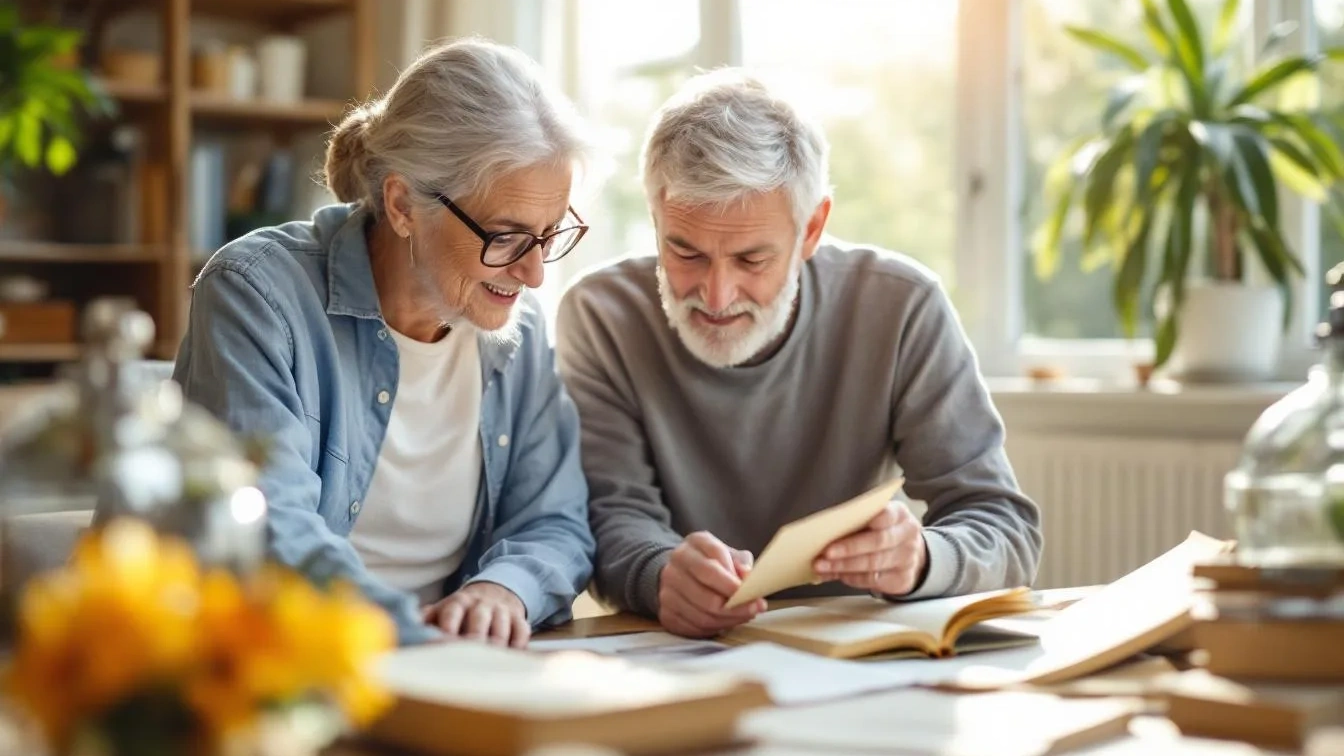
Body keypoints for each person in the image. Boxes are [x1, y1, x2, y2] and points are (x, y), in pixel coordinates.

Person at [555, 70, 1042, 639]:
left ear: (811, 230)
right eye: (684, 251)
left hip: (853, 654)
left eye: (751, 260)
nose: (715, 296)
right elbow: (611, 518)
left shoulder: (899, 306)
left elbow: (1005, 528)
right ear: (656, 216)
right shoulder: (600, 315)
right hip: (678, 656)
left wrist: (924, 558)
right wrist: (659, 573)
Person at [167, 39, 596, 647]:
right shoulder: (257, 293)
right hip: (277, 669)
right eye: (505, 237)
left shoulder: (515, 324)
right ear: (402, 205)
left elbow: (556, 519)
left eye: (550, 235)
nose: (533, 274)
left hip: (442, 674)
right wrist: (418, 635)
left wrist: (504, 590)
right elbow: (264, 527)